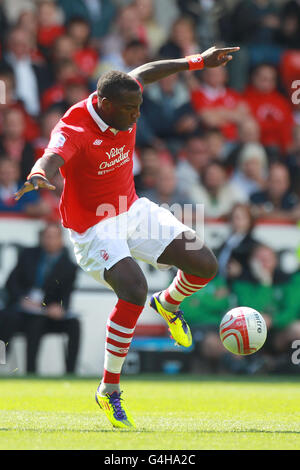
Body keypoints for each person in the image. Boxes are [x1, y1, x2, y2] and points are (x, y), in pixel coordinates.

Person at [15, 45, 240, 429]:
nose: (137, 116)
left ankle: (168, 304)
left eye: (138, 108)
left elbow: (148, 69)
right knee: (133, 289)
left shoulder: (124, 91)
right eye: (130, 111)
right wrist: (39, 173)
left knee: (204, 264)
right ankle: (109, 389)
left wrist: (198, 61)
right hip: (93, 228)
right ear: (103, 104)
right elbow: (52, 155)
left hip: (131, 208)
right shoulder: (75, 127)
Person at [0, 223, 79, 374]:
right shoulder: (28, 255)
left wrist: (59, 308)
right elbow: (11, 283)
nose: (50, 240)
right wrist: (23, 299)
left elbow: (66, 294)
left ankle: (71, 372)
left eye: (54, 237)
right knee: (8, 318)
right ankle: (12, 366)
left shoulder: (68, 266)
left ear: (61, 239)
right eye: (47, 236)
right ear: (41, 238)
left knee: (73, 324)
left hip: (46, 312)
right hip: (21, 310)